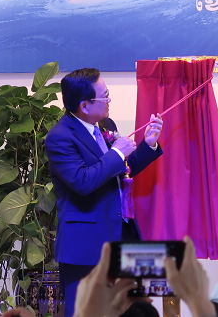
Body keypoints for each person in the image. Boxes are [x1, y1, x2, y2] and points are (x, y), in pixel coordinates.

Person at [45, 68, 164, 317]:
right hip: (85, 247)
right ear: (84, 105)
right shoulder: (60, 137)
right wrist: (117, 152)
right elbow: (83, 181)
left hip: (119, 240)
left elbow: (119, 172)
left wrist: (148, 144)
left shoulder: (105, 126)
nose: (109, 100)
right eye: (105, 96)